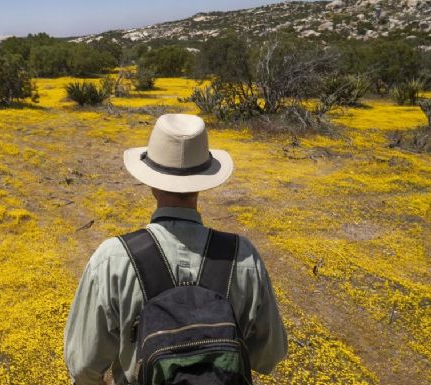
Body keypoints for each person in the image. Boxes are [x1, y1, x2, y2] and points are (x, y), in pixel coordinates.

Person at [64, 114, 287, 385]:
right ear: (204, 181)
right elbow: (269, 357)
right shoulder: (244, 258)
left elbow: (83, 366)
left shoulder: (112, 260)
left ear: (151, 181)